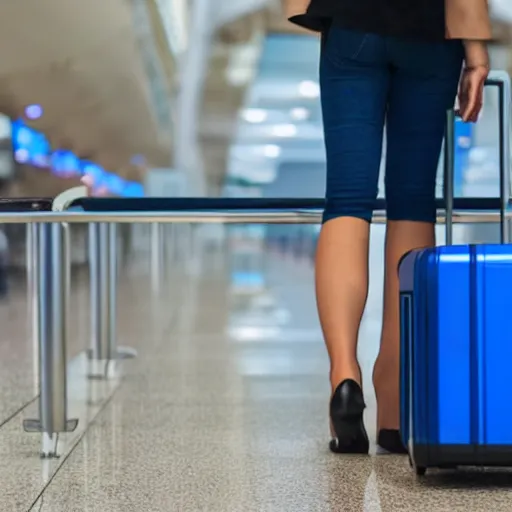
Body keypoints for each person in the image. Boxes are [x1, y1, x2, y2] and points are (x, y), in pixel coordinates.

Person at [288, 0, 492, 453]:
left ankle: (344, 374)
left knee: (346, 197)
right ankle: (396, 403)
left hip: (352, 22)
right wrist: (475, 48)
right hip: (431, 31)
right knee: (414, 201)